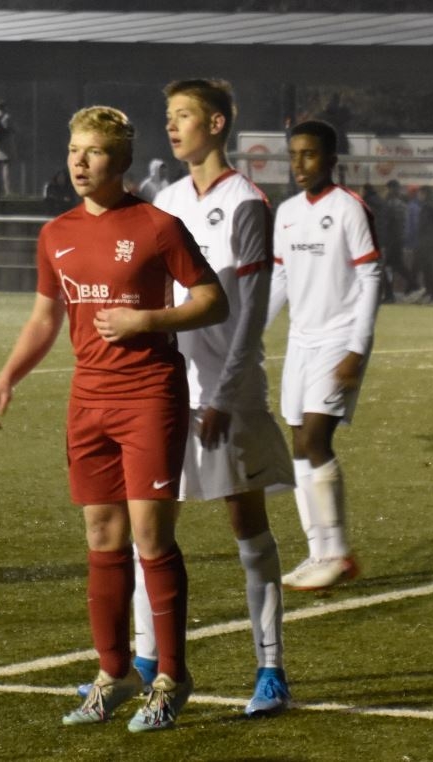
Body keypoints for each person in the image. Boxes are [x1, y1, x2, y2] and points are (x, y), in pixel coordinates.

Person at [0, 105, 228, 731]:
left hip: (149, 395)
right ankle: (114, 673)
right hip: (88, 400)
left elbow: (212, 300)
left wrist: (148, 320)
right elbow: (45, 318)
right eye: (74, 151)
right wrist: (7, 378)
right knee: (101, 536)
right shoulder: (55, 233)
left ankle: (171, 676)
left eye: (92, 152)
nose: (79, 163)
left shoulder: (157, 226)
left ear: (120, 160)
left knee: (151, 536)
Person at [147, 78, 296, 717]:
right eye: (168, 115)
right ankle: (146, 661)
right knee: (151, 526)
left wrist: (225, 396)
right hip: (169, 391)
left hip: (228, 396)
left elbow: (251, 313)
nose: (171, 126)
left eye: (183, 115)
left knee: (247, 524)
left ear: (215, 123)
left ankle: (271, 670)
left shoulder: (248, 203)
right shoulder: (166, 200)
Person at [268, 120, 382, 590]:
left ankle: (339, 553)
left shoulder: (349, 208)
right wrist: (251, 334)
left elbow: (371, 278)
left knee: (316, 439)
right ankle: (318, 552)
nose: (299, 163)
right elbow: (280, 278)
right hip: (300, 342)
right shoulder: (287, 212)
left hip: (338, 339)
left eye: (309, 154)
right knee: (298, 443)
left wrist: (357, 349)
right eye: (293, 154)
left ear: (331, 160)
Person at [379, 179, 416, 303]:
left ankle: (413, 285)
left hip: (393, 240)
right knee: (391, 266)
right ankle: (390, 294)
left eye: (387, 189)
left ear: (391, 189)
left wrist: (386, 241)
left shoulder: (391, 204)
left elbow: (388, 224)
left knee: (394, 266)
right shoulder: (402, 204)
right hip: (398, 240)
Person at [411, 186, 433, 304]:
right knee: (427, 267)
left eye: (420, 193)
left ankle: (432, 295)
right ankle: (429, 293)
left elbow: (422, 225)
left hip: (426, 241)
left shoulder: (426, 207)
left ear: (424, 194)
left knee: (426, 267)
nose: (418, 196)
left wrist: (420, 238)